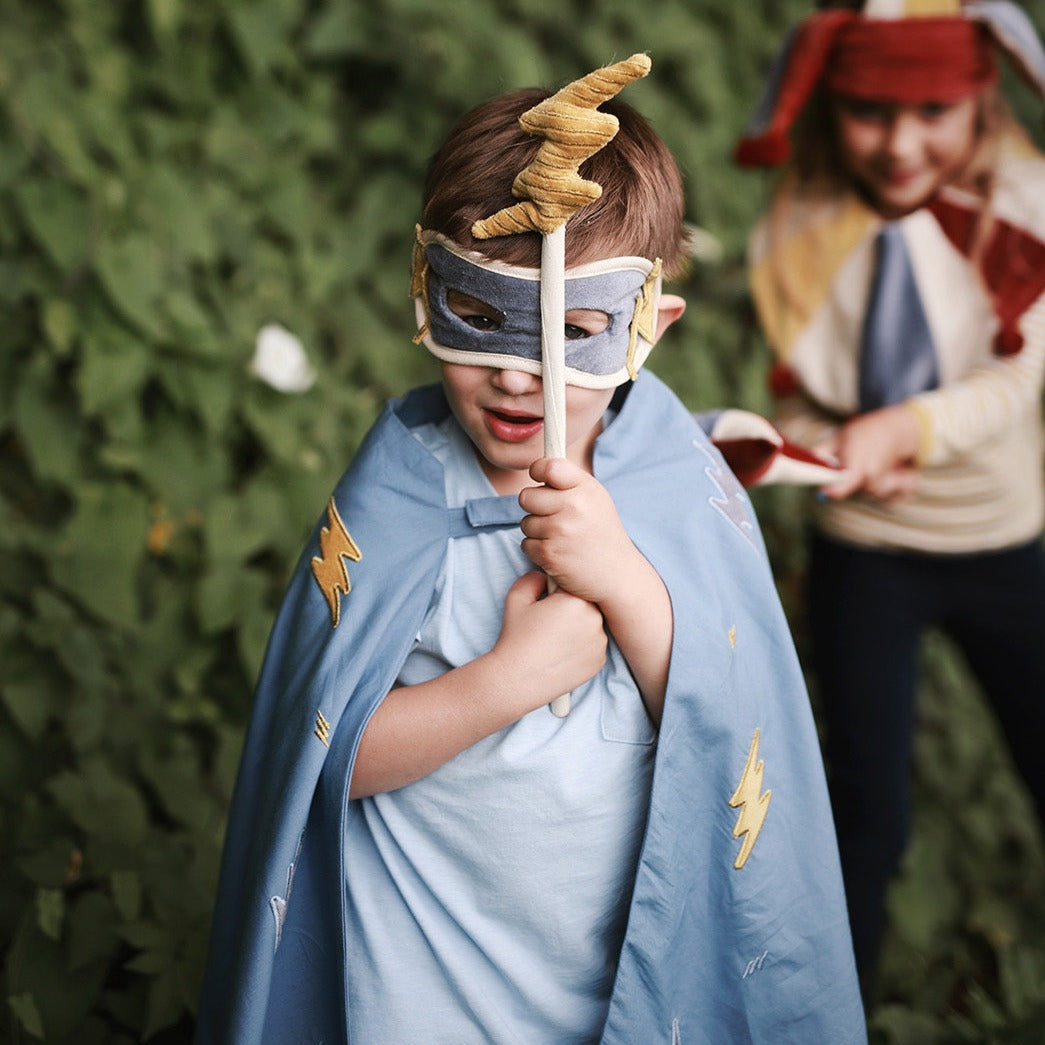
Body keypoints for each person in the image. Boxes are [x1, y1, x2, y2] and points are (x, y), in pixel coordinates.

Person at [196, 58, 865, 1044]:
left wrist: (627, 586)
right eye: (483, 318)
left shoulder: (680, 492)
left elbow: (736, 733)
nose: (521, 380)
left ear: (648, 324)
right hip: (421, 976)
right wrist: (507, 680)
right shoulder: (399, 500)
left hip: (618, 976)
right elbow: (325, 751)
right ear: (426, 291)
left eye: (573, 332)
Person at [735, 0, 1045, 1000]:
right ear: (831, 105)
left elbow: (1014, 380)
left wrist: (902, 429)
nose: (900, 142)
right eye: (870, 111)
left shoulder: (1028, 202)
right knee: (864, 807)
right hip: (864, 549)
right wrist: (833, 449)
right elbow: (817, 381)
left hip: (1002, 543)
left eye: (929, 111)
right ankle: (834, 1007)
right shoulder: (799, 225)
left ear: (978, 99)